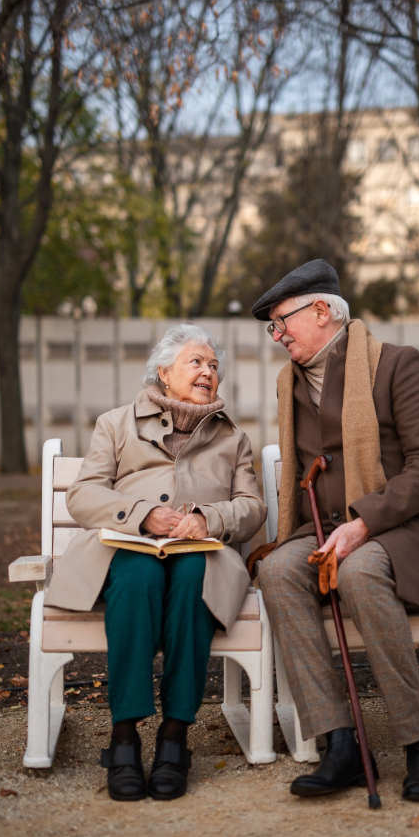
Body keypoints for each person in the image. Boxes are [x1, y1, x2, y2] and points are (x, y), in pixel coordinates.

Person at [251, 259, 419, 803]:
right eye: (271, 327)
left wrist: (365, 522)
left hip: (404, 527)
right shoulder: (289, 384)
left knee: (361, 570)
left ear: (321, 310)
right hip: (325, 528)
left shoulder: (396, 365)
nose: (277, 336)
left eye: (282, 322)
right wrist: (322, 528)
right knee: (277, 570)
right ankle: (340, 745)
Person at [46, 324, 266, 802]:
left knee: (191, 578)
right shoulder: (116, 423)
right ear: (164, 373)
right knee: (138, 575)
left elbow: (252, 507)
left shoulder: (233, 438)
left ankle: (174, 736)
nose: (208, 372)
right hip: (128, 547)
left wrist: (207, 519)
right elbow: (84, 494)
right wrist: (142, 515)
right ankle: (124, 734)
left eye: (213, 365)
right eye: (196, 362)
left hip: (201, 553)